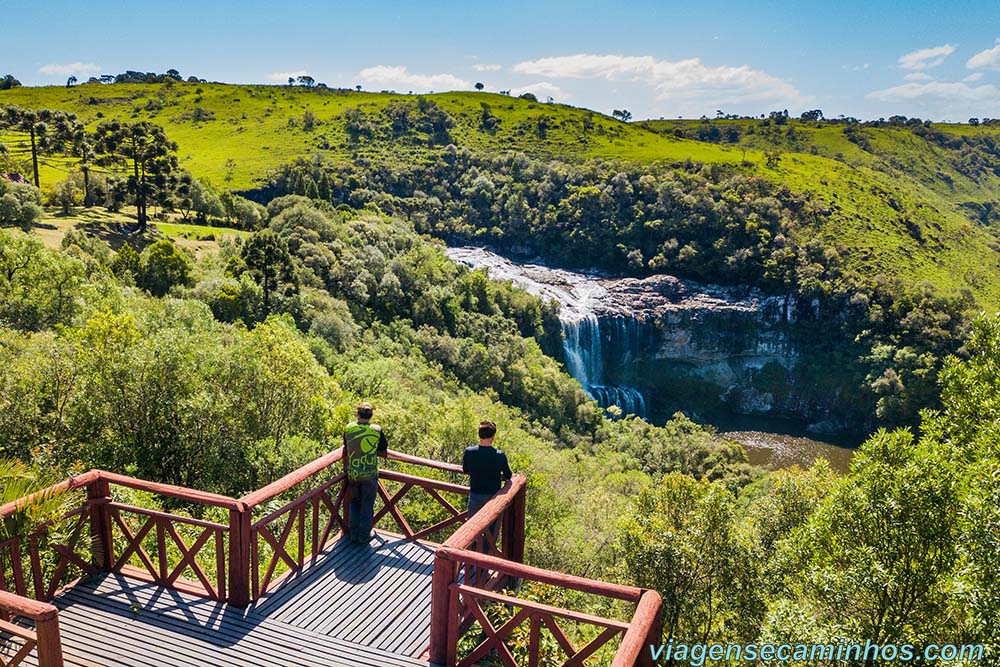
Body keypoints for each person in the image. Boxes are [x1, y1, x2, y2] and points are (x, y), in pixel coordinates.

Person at [462, 420, 512, 548]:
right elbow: (508, 475)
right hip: (493, 498)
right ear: (493, 436)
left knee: (471, 528)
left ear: (479, 435)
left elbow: (465, 470)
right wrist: (498, 476)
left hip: (475, 495)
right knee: (490, 532)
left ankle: (469, 559)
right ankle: (483, 563)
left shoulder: (469, 452)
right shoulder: (499, 455)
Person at [343, 402, 388, 544]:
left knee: (354, 502)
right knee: (367, 504)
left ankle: (353, 533)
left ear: (357, 414)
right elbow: (383, 447)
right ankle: (364, 536)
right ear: (371, 415)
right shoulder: (376, 430)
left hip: (353, 473)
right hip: (369, 473)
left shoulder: (349, 428)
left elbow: (345, 444)